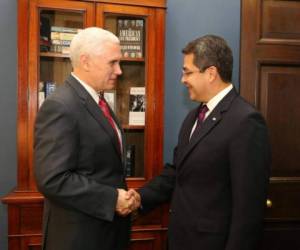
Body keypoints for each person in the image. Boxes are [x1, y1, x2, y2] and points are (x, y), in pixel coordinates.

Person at [129, 34, 271, 250]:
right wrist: (139, 198)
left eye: (187, 72)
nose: (182, 79)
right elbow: (178, 172)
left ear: (211, 73)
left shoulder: (246, 121)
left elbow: (248, 209)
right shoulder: (193, 117)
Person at [34, 27, 137, 250]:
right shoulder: (61, 105)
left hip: (106, 232)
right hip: (80, 238)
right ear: (86, 61)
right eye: (112, 62)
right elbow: (53, 179)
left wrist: (124, 198)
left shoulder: (96, 100)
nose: (119, 71)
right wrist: (111, 199)